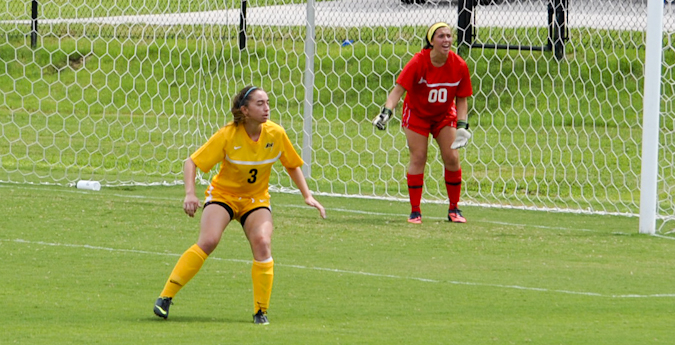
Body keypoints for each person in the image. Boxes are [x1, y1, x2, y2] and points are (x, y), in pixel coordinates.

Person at [153, 86, 326, 325]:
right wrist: (190, 194)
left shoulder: (275, 133)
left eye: (268, 103)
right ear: (244, 110)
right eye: (259, 104)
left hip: (256, 199)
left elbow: (291, 164)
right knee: (209, 241)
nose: (266, 108)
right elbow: (191, 162)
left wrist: (307, 195)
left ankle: (260, 311)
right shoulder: (228, 134)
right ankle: (166, 296)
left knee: (263, 243)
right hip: (224, 195)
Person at [372, 22, 473, 224]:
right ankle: (415, 211)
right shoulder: (418, 62)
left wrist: (462, 126)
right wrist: (386, 113)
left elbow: (462, 98)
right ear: (431, 41)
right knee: (419, 157)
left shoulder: (459, 65)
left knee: (452, 157)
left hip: (444, 115)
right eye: (441, 36)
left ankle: (454, 209)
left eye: (449, 36)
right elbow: (397, 91)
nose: (446, 40)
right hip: (417, 115)